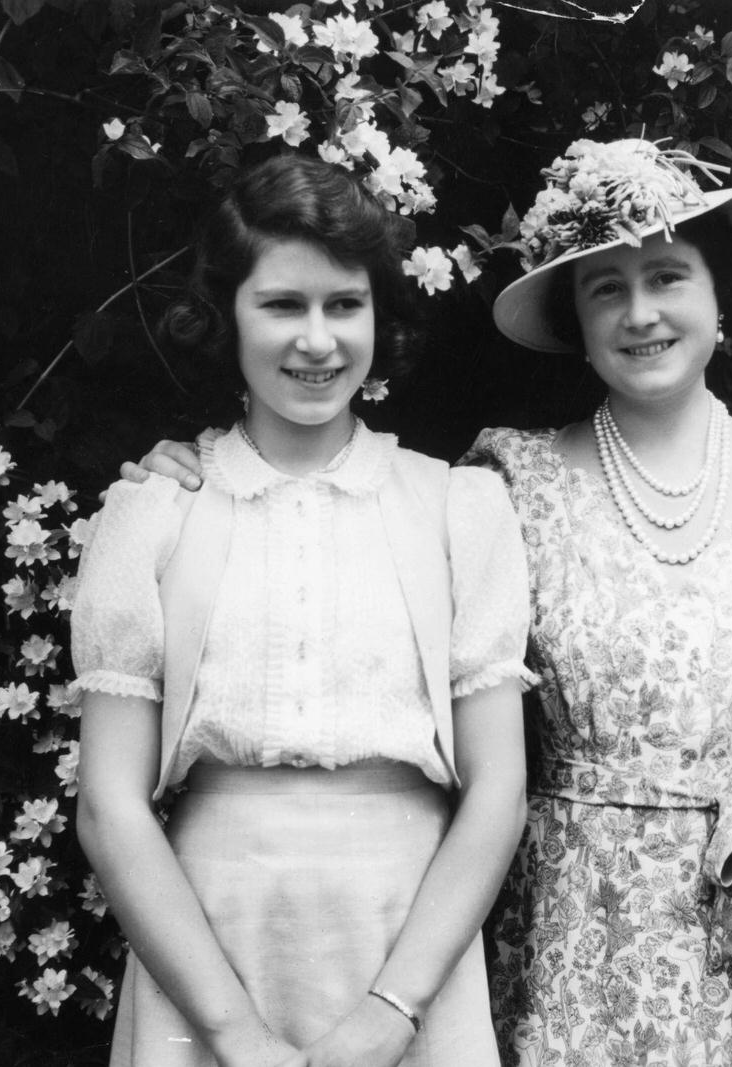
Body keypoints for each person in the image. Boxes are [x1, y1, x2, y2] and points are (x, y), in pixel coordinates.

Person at [121, 138, 732, 1067]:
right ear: (577, 327)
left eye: (667, 278)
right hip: (566, 924)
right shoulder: (505, 479)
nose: (640, 313)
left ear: (718, 296)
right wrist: (192, 473)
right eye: (608, 289)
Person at [71, 153, 533, 1067]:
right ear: (225, 319)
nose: (316, 341)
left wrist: (390, 1014)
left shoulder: (454, 508)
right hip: (210, 941)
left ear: (379, 317)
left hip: (406, 939)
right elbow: (109, 805)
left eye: (344, 305)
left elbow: (498, 790)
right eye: (282, 305)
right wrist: (235, 1036)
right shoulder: (158, 512)